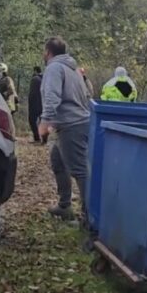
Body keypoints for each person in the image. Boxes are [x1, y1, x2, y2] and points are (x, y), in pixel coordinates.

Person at [38, 37, 91, 221]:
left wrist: (44, 122)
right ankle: (65, 206)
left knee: (80, 170)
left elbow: (52, 96)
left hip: (71, 125)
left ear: (48, 52)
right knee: (58, 162)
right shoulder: (73, 69)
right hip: (75, 122)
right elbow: (87, 93)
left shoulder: (54, 68)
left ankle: (89, 217)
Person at [27, 67, 44, 144]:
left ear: (35, 71)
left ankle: (37, 138)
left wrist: (30, 103)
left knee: (32, 120)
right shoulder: (44, 79)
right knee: (42, 121)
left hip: (35, 104)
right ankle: (44, 139)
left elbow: (32, 94)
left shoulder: (35, 79)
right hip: (43, 104)